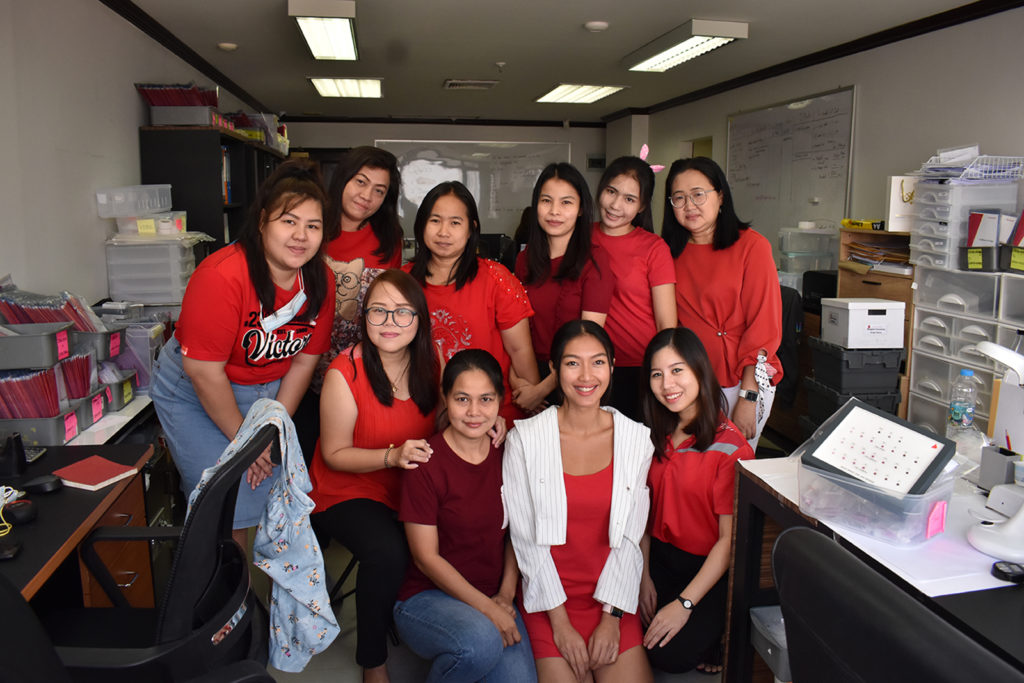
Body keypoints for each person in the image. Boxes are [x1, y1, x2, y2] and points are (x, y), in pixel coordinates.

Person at [151, 159, 335, 549]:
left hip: (263, 390)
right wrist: (245, 444)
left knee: (268, 499)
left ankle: (254, 600)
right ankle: (224, 606)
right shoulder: (222, 277)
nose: (300, 236)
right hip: (197, 390)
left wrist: (268, 434)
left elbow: (303, 361)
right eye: (289, 221)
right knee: (224, 506)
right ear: (262, 220)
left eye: (313, 226)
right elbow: (204, 373)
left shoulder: (320, 280)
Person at [504, 320, 654, 683]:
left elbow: (632, 537)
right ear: (554, 370)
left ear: (613, 366)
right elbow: (524, 540)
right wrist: (561, 625)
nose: (586, 375)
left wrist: (612, 619)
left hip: (613, 597)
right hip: (548, 598)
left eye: (598, 362)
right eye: (572, 363)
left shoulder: (636, 440)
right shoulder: (524, 439)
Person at [309, 269, 440, 683]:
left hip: (407, 485)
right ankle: (373, 661)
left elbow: (448, 419)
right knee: (387, 551)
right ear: (363, 318)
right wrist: (391, 456)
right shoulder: (344, 372)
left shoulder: (431, 364)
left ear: (419, 319)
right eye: (378, 312)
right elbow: (334, 454)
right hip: (345, 489)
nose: (389, 323)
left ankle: (429, 623)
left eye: (402, 313)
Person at [393, 349, 537, 683]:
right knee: (479, 645)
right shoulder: (426, 463)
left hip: (492, 595)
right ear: (445, 399)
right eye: (462, 399)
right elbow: (426, 558)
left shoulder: (509, 452)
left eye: (486, 399)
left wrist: (504, 596)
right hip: (427, 598)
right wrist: (489, 612)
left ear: (501, 400)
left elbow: (518, 532)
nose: (474, 412)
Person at [638, 327, 754, 675]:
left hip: (707, 570)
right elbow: (642, 517)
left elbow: (728, 541)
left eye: (677, 371)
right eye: (657, 374)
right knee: (622, 633)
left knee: (667, 656)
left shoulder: (731, 448)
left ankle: (717, 634)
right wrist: (642, 577)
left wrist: (685, 604)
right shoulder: (653, 437)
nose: (667, 384)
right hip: (657, 558)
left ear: (699, 371)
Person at [661, 157, 782, 449]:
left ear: (721, 196)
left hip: (743, 379)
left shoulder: (752, 246)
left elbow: (763, 327)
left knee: (731, 468)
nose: (689, 205)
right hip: (689, 379)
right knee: (691, 467)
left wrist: (748, 395)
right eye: (679, 198)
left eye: (698, 194)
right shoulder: (666, 253)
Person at [294, 146, 405, 462]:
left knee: (344, 453)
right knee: (301, 450)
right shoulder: (312, 226)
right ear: (343, 178)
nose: (366, 195)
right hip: (302, 362)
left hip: (357, 371)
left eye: (379, 190)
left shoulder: (389, 238)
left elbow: (388, 306)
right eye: (360, 181)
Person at [405, 180, 542, 420]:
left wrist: (532, 408)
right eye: (435, 220)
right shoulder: (402, 282)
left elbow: (519, 349)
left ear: (471, 229)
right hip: (422, 412)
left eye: (455, 223)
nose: (443, 232)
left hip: (491, 415)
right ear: (421, 225)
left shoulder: (496, 279)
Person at [513, 163, 614, 409]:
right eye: (546, 201)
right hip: (527, 375)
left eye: (566, 202)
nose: (554, 211)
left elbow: (589, 340)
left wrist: (540, 391)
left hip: (576, 379)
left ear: (581, 209)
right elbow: (513, 329)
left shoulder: (595, 261)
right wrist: (520, 383)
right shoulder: (523, 260)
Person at [591, 156, 676, 421]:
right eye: (611, 192)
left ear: (642, 206)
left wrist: (666, 374)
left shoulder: (653, 247)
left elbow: (667, 323)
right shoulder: (580, 236)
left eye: (629, 199)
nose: (615, 205)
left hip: (639, 368)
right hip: (589, 366)